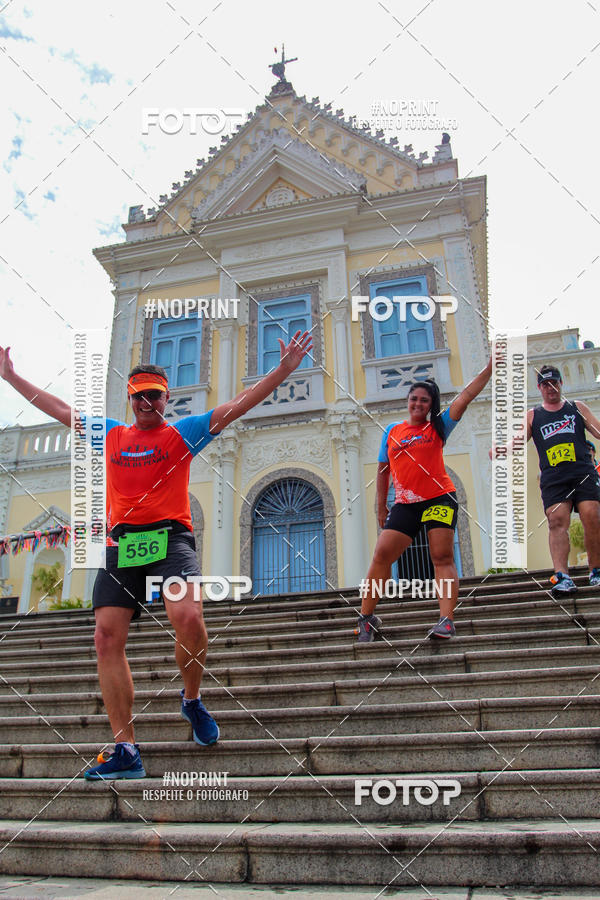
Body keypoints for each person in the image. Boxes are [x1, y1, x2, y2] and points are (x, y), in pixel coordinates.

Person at [0, 331, 312, 779]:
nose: (147, 403)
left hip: (170, 540)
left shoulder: (183, 433)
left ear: (166, 397)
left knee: (189, 618)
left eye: (154, 395)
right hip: (123, 545)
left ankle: (191, 699)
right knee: (106, 638)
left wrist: (283, 370)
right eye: (139, 396)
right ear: (130, 399)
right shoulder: (111, 435)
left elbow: (239, 404)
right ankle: (125, 749)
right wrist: (11, 376)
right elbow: (61, 410)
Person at [357, 359, 492, 642]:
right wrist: (380, 506)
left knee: (441, 556)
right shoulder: (392, 432)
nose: (418, 403)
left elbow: (466, 396)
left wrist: (490, 368)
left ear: (431, 405)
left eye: (424, 400)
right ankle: (366, 619)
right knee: (381, 555)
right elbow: (383, 472)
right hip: (405, 504)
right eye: (414, 398)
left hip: (439, 499)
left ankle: (446, 621)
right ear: (407, 401)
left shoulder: (438, 427)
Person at [526, 365, 600, 595]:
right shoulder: (533, 415)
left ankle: (596, 571)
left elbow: (597, 430)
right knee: (556, 520)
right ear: (539, 388)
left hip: (582, 471)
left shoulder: (576, 408)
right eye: (546, 384)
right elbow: (518, 440)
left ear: (560, 384)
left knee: (592, 515)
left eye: (554, 383)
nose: (551, 388)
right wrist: (503, 449)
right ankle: (562, 576)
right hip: (554, 478)